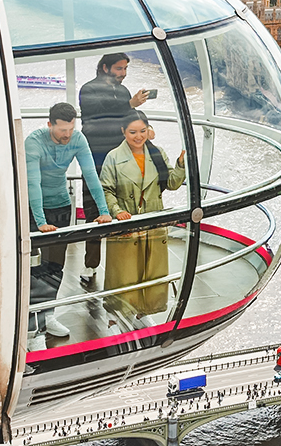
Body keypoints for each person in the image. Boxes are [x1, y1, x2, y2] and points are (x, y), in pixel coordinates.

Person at [25, 102, 113, 347]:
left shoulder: (78, 138)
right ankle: (32, 329)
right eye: (62, 130)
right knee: (32, 269)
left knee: (55, 266)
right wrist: (40, 222)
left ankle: (47, 316)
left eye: (70, 129)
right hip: (33, 208)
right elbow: (32, 184)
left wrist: (104, 211)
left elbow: (91, 175)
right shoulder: (34, 142)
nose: (67, 135)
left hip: (61, 206)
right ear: (49, 124)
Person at [99, 110, 187, 327]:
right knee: (125, 271)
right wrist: (117, 211)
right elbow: (106, 189)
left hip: (153, 222)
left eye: (142, 131)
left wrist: (181, 164)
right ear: (123, 132)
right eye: (132, 132)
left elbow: (172, 184)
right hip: (127, 223)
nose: (138, 136)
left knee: (150, 269)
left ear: (149, 130)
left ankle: (144, 309)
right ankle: (119, 314)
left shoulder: (157, 154)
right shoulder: (113, 157)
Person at [78, 54, 151, 282]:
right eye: (119, 68)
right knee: (95, 207)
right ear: (104, 67)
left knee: (124, 204)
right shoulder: (88, 89)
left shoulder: (123, 91)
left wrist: (145, 129)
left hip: (120, 155)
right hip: (96, 155)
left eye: (125, 68)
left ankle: (126, 263)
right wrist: (129, 104)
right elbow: (98, 112)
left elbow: (130, 118)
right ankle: (90, 266)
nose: (123, 73)